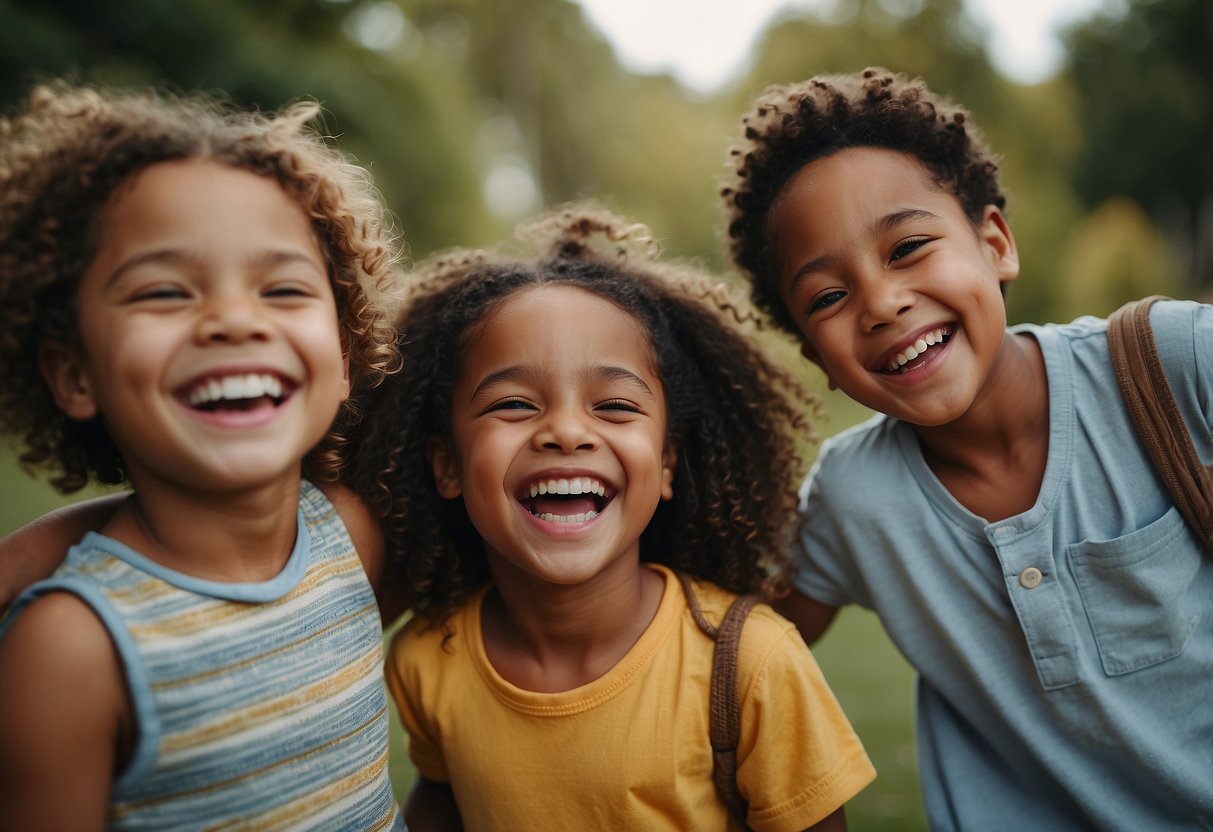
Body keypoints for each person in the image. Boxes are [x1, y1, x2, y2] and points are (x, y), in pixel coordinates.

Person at [720, 66, 1213, 830]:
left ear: (994, 244)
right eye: (827, 296)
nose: (881, 303)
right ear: (814, 356)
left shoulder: (1171, 364)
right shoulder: (853, 498)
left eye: (908, 247)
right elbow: (731, 652)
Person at [346, 206, 876, 831]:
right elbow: (441, 795)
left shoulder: (753, 663)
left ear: (668, 459)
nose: (567, 431)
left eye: (616, 405)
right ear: (448, 465)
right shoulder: (426, 659)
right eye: (514, 403)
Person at [0, 81, 406, 830]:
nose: (230, 320)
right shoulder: (69, 649)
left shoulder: (352, 536)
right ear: (74, 374)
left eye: (281, 289)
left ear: (343, 356)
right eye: (163, 292)